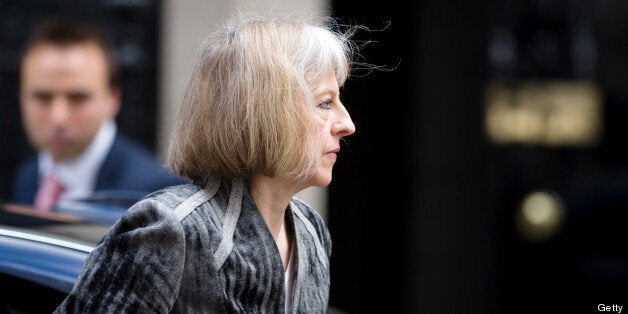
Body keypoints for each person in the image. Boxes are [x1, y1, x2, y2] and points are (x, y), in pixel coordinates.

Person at [55, 12, 358, 313]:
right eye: (325, 102)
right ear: (266, 112)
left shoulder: (311, 230)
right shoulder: (171, 227)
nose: (346, 123)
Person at [12, 18, 186, 211]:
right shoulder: (29, 176)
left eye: (78, 98)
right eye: (42, 97)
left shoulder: (154, 195)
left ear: (113, 99)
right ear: (21, 97)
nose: (58, 118)